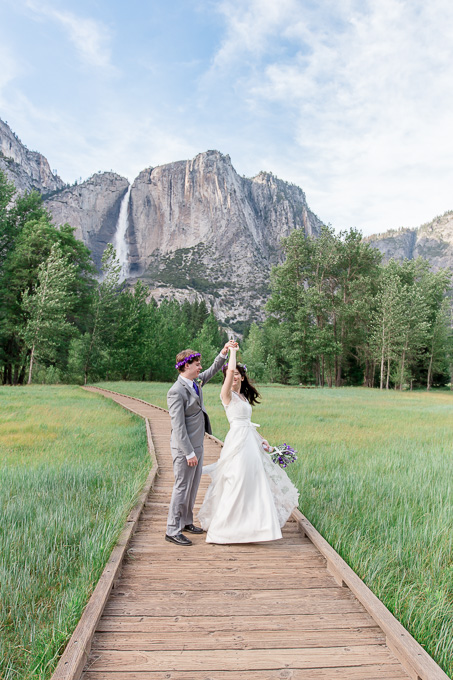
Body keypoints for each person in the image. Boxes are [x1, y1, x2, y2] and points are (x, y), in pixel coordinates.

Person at [198, 345, 299, 543]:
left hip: (250, 442)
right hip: (237, 442)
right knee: (237, 480)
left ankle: (255, 528)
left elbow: (247, 423)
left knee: (254, 482)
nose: (233, 377)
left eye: (237, 375)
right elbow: (229, 378)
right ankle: (225, 530)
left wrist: (263, 441)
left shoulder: (242, 397)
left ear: (243, 377)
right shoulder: (226, 395)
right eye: (230, 374)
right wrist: (232, 352)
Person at [165, 340, 237, 546]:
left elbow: (213, 370)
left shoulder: (195, 383)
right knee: (181, 487)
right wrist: (188, 453)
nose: (200, 367)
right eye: (197, 364)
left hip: (198, 445)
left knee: (193, 486)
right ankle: (172, 530)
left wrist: (223, 352)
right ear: (186, 366)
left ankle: (187, 522)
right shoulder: (176, 391)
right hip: (184, 449)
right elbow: (178, 427)